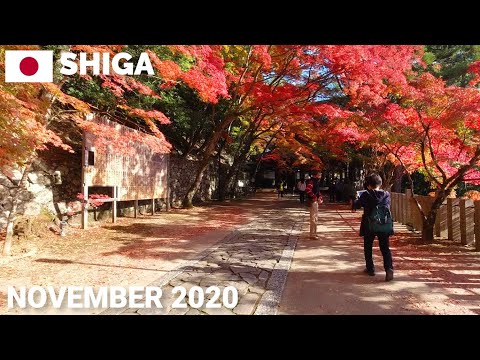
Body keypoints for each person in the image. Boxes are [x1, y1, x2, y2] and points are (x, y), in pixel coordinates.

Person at [354, 174, 394, 282]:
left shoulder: (366, 195)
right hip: (383, 224)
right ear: (380, 184)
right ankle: (389, 269)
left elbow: (356, 205)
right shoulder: (386, 194)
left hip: (369, 224)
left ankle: (370, 269)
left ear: (368, 185)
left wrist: (357, 199)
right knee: (385, 248)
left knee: (368, 246)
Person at [305, 171, 323, 239]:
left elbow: (317, 191)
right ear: (316, 175)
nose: (320, 176)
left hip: (315, 201)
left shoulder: (316, 181)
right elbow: (308, 190)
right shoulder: (312, 181)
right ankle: (312, 234)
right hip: (313, 201)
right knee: (313, 218)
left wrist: (320, 197)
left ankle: (314, 233)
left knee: (315, 218)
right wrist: (314, 197)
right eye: (319, 174)